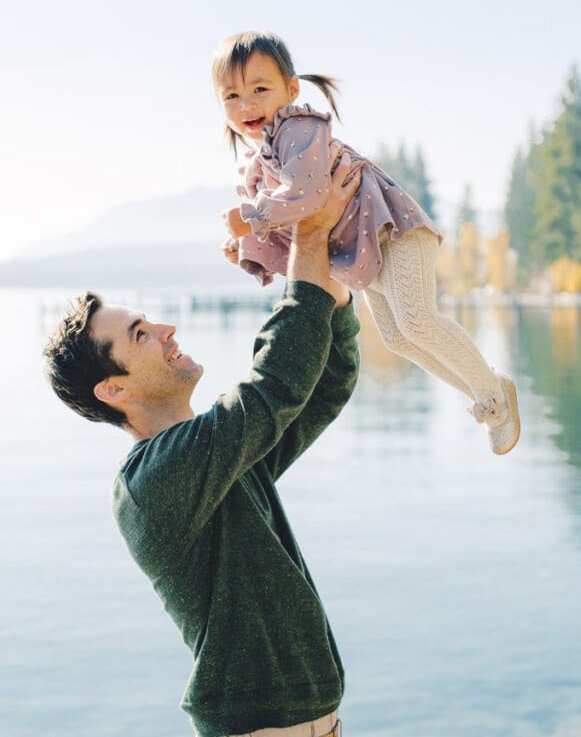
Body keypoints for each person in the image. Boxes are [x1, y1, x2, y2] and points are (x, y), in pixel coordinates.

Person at [42, 165, 361, 737]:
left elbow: (320, 387)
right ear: (117, 387)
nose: (164, 326)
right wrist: (306, 235)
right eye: (139, 332)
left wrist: (331, 262)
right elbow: (273, 385)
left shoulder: (217, 461)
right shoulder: (157, 481)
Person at [214, 29, 521, 455]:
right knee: (397, 337)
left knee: (416, 321)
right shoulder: (253, 165)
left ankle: (494, 397)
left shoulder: (298, 129)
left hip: (392, 231)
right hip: (362, 254)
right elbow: (289, 233)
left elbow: (306, 194)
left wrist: (250, 218)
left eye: (259, 90)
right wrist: (247, 248)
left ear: (291, 89)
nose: (246, 104)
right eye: (231, 96)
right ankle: (488, 394)